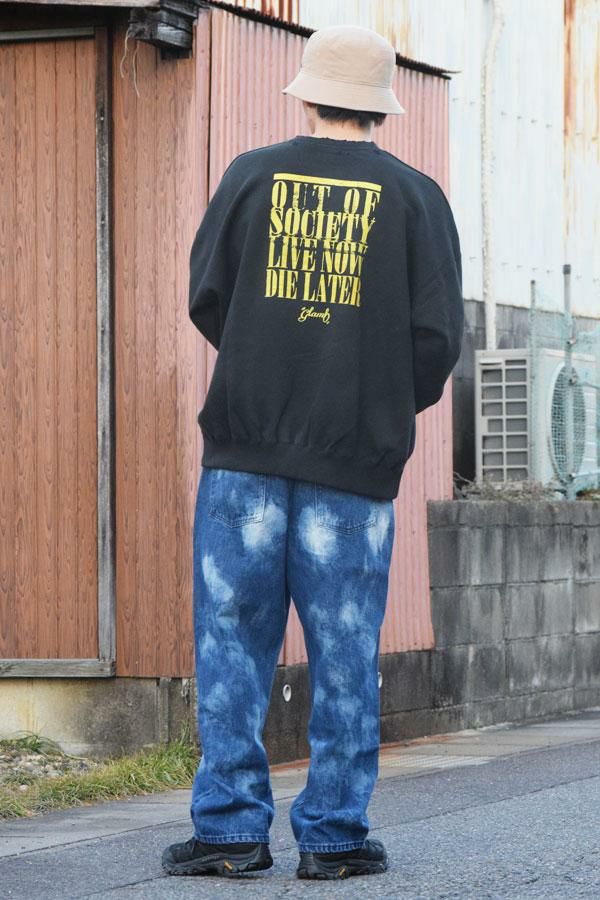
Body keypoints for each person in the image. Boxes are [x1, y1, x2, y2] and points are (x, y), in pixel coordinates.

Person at [162, 23, 464, 881]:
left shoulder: (250, 177)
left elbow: (208, 297)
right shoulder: (415, 199)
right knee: (345, 651)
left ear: (308, 94)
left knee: (231, 644)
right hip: (353, 467)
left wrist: (266, 364)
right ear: (381, 107)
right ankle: (332, 839)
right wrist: (373, 404)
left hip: (243, 458)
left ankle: (230, 833)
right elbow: (438, 338)